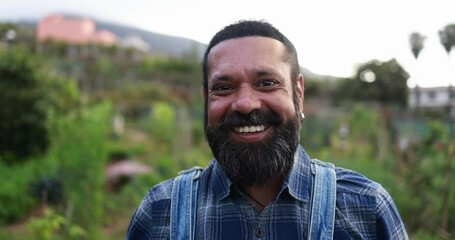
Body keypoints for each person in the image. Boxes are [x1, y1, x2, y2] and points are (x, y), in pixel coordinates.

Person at [125, 19, 408, 239]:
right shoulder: (160, 214)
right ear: (206, 99)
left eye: (267, 83)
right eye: (223, 88)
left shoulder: (366, 210)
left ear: (298, 92)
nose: (246, 104)